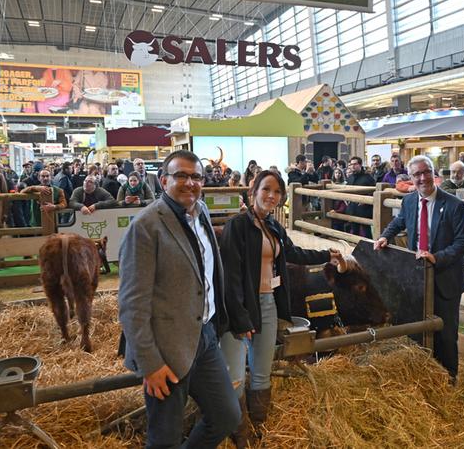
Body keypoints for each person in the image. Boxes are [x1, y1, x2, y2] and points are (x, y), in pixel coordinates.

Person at [118, 150, 240, 448]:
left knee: (226, 416)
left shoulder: (202, 213)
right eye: (181, 176)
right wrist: (150, 364)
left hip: (205, 336)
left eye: (196, 176)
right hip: (166, 348)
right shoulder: (146, 226)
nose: (190, 183)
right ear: (163, 181)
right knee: (165, 438)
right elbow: (132, 304)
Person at [219, 170, 342, 445]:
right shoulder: (237, 225)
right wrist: (240, 317)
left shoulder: (274, 226)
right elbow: (230, 276)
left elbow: (293, 253)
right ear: (254, 191)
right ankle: (240, 435)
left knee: (262, 370)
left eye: (277, 192)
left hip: (267, 302)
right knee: (235, 375)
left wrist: (326, 255)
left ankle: (260, 430)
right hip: (239, 308)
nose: (271, 196)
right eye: (266, 190)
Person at [375, 155, 464, 383]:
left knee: (446, 334)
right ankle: (425, 376)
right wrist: (385, 237)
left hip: (445, 277)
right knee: (419, 329)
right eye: (417, 174)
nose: (422, 178)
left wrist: (437, 257)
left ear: (434, 173)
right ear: (411, 178)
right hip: (417, 278)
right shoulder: (409, 202)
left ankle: (449, 379)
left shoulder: (453, 204)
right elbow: (398, 223)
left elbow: (463, 243)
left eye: (426, 172)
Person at [345, 156, 375, 237]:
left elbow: (374, 191)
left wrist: (365, 200)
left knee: (367, 232)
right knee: (354, 231)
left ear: (360, 165)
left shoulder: (368, 177)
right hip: (353, 209)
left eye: (355, 164)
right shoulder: (350, 177)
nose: (353, 166)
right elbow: (346, 191)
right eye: (351, 164)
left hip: (364, 210)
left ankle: (369, 248)